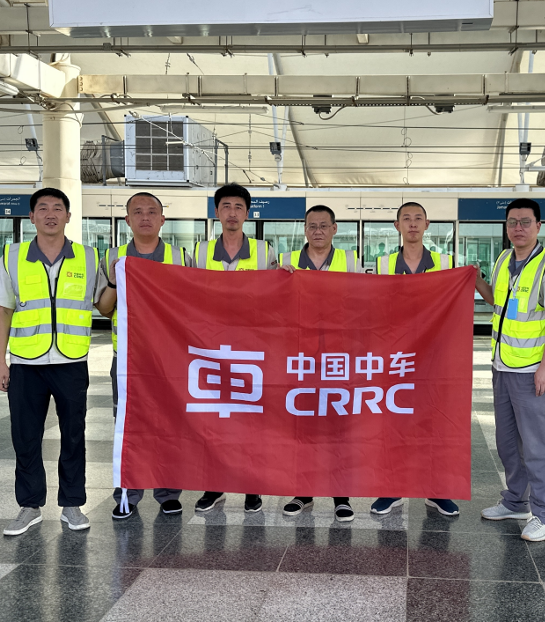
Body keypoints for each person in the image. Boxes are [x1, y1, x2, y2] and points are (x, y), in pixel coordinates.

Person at [0, 187, 102, 536]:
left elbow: (106, 303)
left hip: (70, 362)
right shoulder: (13, 256)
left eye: (57, 208)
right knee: (25, 436)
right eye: (42, 208)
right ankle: (30, 505)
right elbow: (2, 312)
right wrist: (0, 362)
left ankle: (72, 504)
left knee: (74, 435)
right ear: (32, 217)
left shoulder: (89, 258)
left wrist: (124, 276)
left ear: (68, 216)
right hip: (26, 363)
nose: (50, 214)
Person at [473, 197, 545, 542]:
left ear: (538, 226)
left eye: (525, 222)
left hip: (532, 372)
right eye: (512, 222)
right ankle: (516, 501)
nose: (518, 228)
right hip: (502, 366)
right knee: (508, 442)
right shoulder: (503, 260)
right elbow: (495, 301)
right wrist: (473, 279)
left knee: (538, 444)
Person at [95, 192, 194, 520]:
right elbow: (103, 307)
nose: (145, 217)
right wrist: (112, 278)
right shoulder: (113, 257)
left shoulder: (181, 257)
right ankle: (127, 492)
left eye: (152, 212)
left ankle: (168, 493)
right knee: (128, 425)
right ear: (127, 220)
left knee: (171, 424)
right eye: (137, 212)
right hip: (127, 359)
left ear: (163, 219)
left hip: (171, 358)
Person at [193, 183, 278, 514]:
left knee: (250, 421)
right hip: (210, 351)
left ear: (247, 213)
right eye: (225, 206)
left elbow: (276, 296)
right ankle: (214, 486)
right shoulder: (199, 253)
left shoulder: (264, 251)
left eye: (238, 207)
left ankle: (251, 487)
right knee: (214, 420)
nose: (232, 212)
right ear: (217, 213)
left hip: (252, 351)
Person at [371, 201, 461, 518]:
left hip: (433, 359)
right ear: (396, 226)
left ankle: (436, 492)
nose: (412, 224)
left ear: (427, 225)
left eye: (417, 219)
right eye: (405, 219)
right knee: (392, 425)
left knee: (433, 425)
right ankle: (390, 490)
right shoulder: (381, 266)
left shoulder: (447, 264)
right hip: (394, 359)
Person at [279, 204, 364, 523]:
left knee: (338, 425)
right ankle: (303, 492)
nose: (317, 231)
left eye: (323, 225)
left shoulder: (350, 262)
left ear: (334, 229)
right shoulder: (287, 263)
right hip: (298, 356)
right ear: (305, 230)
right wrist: (278, 280)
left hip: (338, 356)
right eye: (312, 226)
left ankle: (341, 495)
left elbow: (365, 304)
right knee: (303, 425)